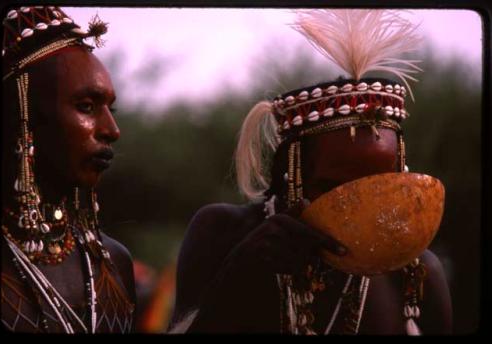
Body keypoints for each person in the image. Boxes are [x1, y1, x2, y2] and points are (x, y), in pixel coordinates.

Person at [169, 9, 452, 334]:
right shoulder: (223, 232)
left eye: (381, 186)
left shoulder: (416, 273)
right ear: (293, 176)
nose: (360, 209)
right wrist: (240, 273)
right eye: (335, 189)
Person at [0, 6, 135, 333]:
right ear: (25, 117)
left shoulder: (113, 261)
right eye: (86, 107)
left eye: (110, 108)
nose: (112, 129)